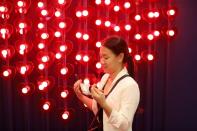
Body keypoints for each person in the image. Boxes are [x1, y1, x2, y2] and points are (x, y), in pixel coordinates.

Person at [73, 36, 140, 131]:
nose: (102, 61)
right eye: (100, 57)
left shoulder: (130, 86)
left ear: (120, 57)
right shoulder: (105, 78)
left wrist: (104, 104)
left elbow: (124, 125)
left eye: (106, 57)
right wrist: (81, 96)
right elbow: (97, 107)